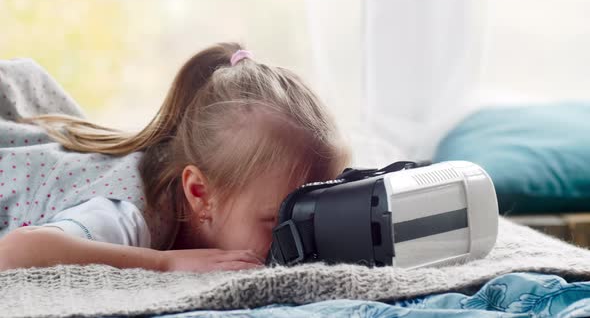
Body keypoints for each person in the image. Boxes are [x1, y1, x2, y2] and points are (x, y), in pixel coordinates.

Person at [0, 42, 351, 273]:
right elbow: (15, 252)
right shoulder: (130, 217)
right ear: (200, 194)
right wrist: (164, 263)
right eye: (278, 219)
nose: (305, 237)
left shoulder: (228, 190)